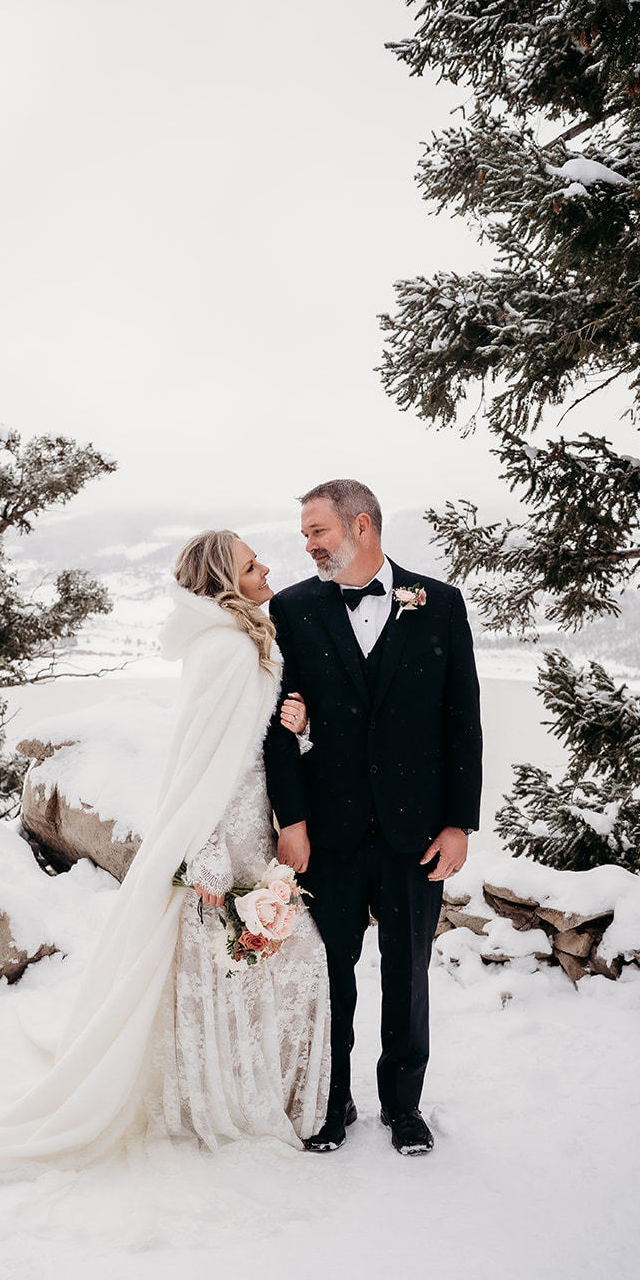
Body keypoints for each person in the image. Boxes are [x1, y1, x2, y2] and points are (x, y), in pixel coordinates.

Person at [0, 531, 330, 1183]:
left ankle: (245, 1088)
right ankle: (214, 1099)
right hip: (221, 831)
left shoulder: (243, 642)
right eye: (250, 564)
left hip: (251, 827)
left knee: (255, 963)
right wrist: (207, 855)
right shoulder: (223, 649)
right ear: (223, 580)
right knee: (232, 962)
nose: (266, 567)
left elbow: (245, 746)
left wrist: (292, 736)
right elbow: (200, 762)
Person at [263, 480, 482, 1157]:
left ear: (361, 527)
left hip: (414, 830)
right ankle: (330, 1102)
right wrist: (291, 821)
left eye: (317, 530)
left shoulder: (437, 603)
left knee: (407, 970)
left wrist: (458, 825)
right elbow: (276, 726)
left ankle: (403, 1105)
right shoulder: (291, 609)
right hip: (326, 832)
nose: (307, 544)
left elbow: (461, 721)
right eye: (305, 534)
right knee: (328, 972)